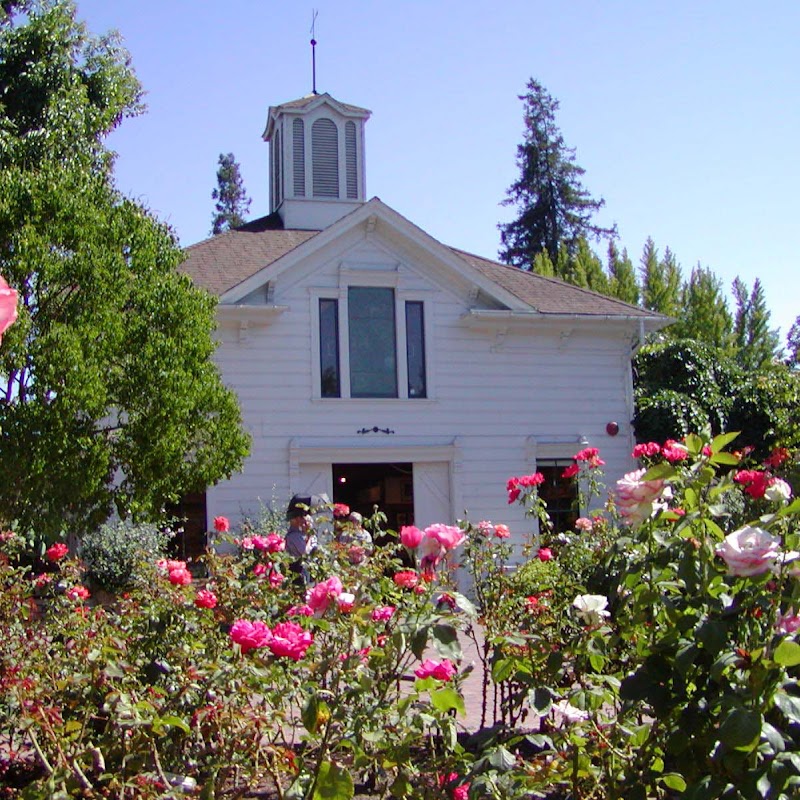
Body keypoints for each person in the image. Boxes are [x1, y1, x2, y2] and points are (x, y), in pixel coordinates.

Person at [285, 495, 318, 585]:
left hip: (308, 572)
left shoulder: (302, 534)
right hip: (298, 573)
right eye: (302, 516)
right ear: (297, 518)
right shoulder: (293, 536)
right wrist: (310, 536)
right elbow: (305, 552)